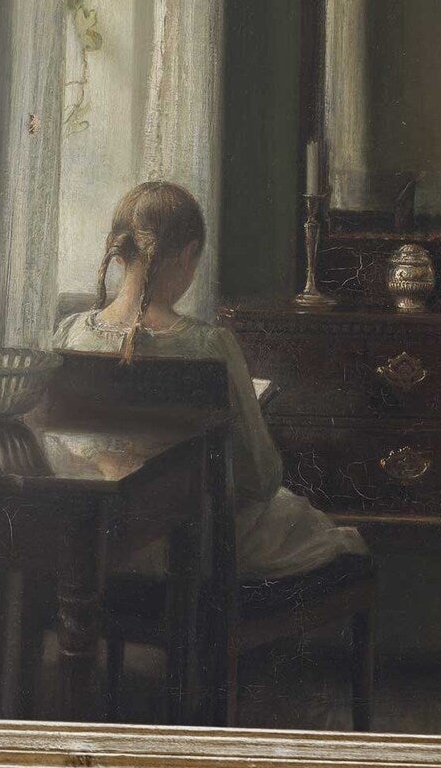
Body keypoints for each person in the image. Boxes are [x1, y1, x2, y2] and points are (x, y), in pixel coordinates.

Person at [52, 180, 365, 579]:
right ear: (186, 256)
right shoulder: (210, 345)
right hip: (188, 550)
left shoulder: (69, 334)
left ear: (120, 253)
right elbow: (261, 476)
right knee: (319, 529)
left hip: (95, 544)